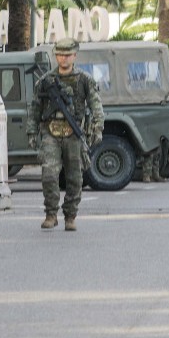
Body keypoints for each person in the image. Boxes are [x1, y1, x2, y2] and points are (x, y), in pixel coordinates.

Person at [27, 37, 104, 231]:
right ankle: (51, 214)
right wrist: (31, 132)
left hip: (73, 134)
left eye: (67, 55)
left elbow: (96, 105)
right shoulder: (46, 81)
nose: (63, 59)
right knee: (49, 174)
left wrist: (97, 127)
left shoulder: (84, 80)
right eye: (60, 55)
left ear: (74, 56)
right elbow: (35, 107)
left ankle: (70, 215)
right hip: (50, 132)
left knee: (74, 177)